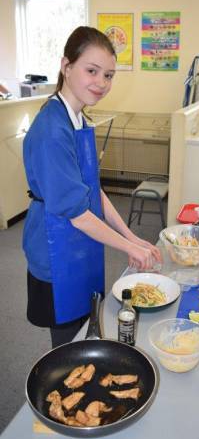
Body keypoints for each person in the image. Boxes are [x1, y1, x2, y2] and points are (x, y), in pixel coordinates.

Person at [23, 26, 161, 348]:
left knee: (88, 322)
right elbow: (77, 214)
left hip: (80, 242)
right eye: (92, 71)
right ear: (66, 66)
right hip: (55, 246)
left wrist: (131, 236)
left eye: (109, 75)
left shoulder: (78, 118)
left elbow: (92, 190)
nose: (101, 83)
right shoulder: (52, 131)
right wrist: (129, 249)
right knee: (67, 342)